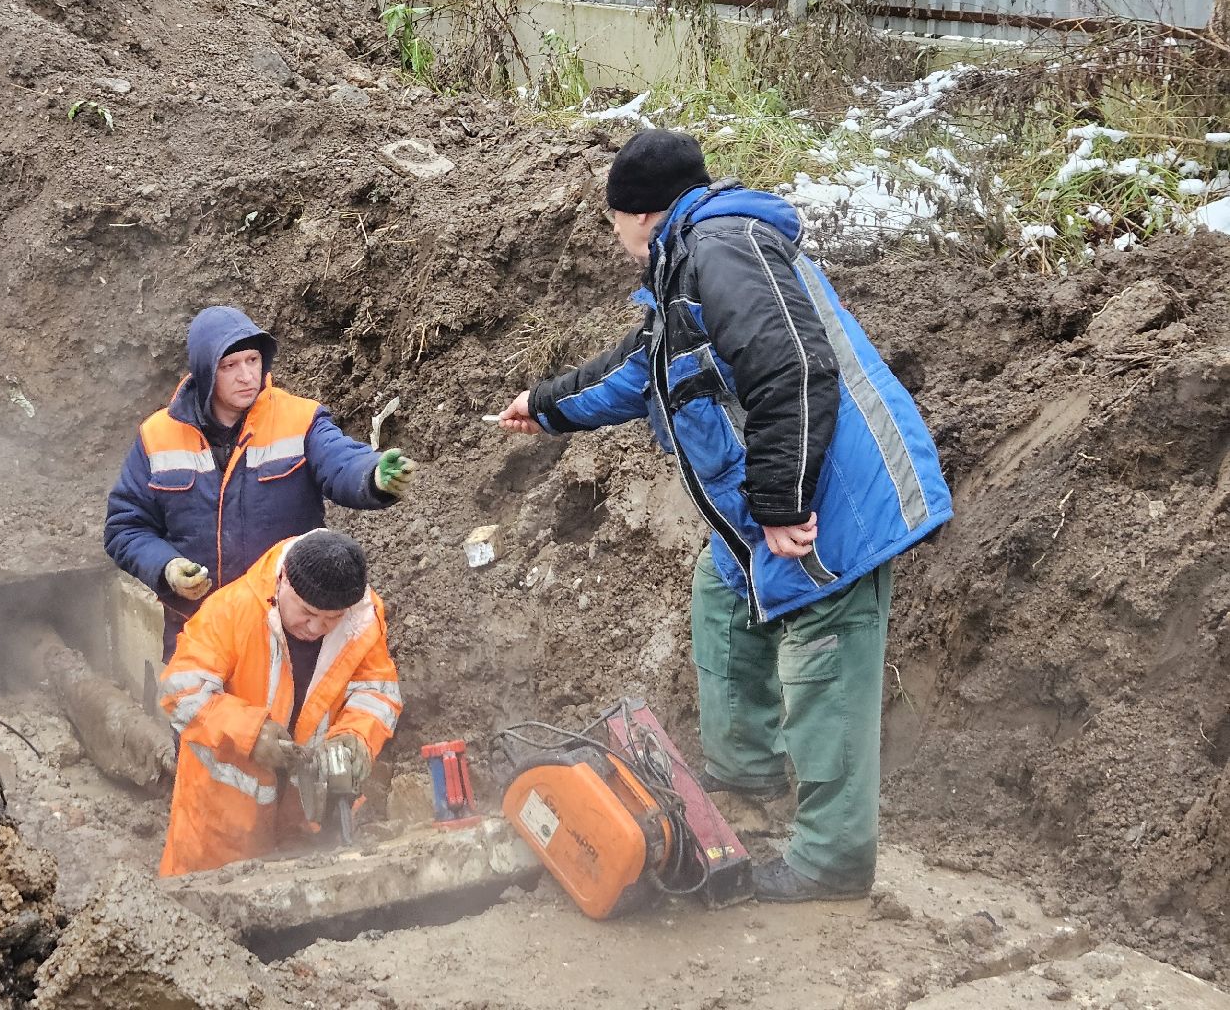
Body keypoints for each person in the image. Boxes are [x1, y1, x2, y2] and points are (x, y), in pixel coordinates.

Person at [494, 130, 952, 903]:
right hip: (771, 514)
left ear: (639, 215)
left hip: (828, 508)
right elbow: (641, 368)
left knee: (823, 668)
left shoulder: (725, 247)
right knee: (723, 598)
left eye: (614, 226)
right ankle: (746, 782)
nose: (617, 243)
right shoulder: (689, 265)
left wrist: (780, 505)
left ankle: (829, 861)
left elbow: (793, 368)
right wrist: (545, 407)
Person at [105, 306, 417, 661]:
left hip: (286, 630)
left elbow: (340, 458)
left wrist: (373, 475)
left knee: (280, 717)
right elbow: (125, 528)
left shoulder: (298, 419)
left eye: (253, 360)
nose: (246, 376)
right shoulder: (157, 436)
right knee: (203, 714)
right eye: (230, 366)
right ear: (206, 372)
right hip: (199, 629)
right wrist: (167, 568)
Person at [155, 530, 401, 876]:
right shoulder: (232, 610)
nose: (315, 627)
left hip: (309, 825)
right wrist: (250, 734)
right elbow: (181, 691)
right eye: (307, 612)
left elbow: (376, 692)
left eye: (331, 619)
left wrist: (355, 738)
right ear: (283, 580)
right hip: (221, 826)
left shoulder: (362, 621)